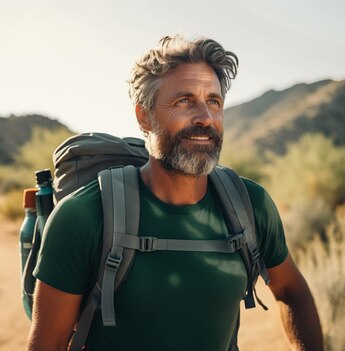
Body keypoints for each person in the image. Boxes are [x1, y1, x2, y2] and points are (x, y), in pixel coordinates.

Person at [27, 34, 323, 351]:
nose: (205, 118)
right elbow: (49, 344)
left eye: (214, 101)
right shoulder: (84, 216)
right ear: (144, 116)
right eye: (184, 101)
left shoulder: (249, 204)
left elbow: (292, 291)